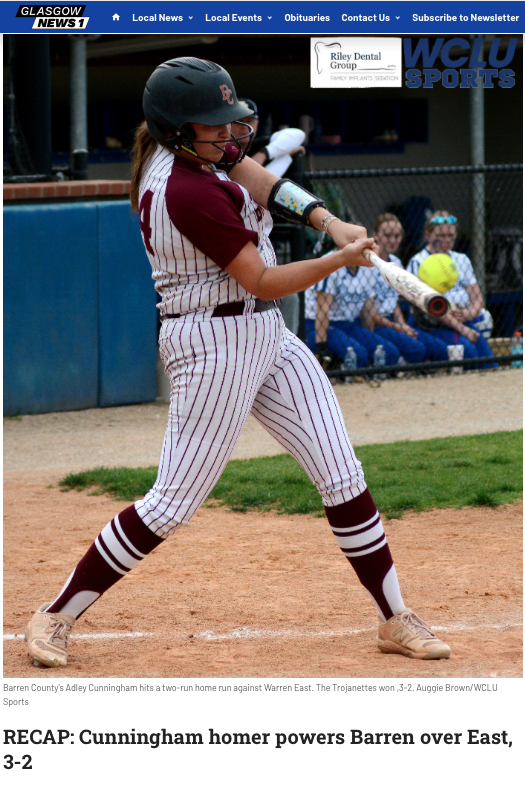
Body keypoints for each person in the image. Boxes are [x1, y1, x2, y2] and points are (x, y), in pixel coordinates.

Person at [25, 57, 450, 668]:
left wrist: (326, 221)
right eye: (213, 125)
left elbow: (269, 184)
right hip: (209, 344)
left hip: (262, 333)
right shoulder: (184, 187)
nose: (229, 135)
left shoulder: (206, 154)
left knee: (341, 471)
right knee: (171, 504)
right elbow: (265, 278)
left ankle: (395, 617)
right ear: (176, 129)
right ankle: (55, 614)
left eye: (229, 122)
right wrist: (340, 260)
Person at [407, 211, 497, 367]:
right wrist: (462, 328)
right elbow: (432, 307)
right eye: (440, 235)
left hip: (461, 320)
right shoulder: (418, 262)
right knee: (468, 351)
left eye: (450, 235)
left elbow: (477, 298)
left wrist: (468, 313)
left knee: (487, 358)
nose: (446, 240)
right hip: (430, 325)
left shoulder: (461, 259)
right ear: (428, 235)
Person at [305, 255, 403, 370]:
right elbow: (322, 308)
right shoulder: (329, 262)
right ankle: (339, 372)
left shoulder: (367, 267)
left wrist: (368, 337)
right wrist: (321, 346)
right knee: (358, 355)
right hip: (322, 326)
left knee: (390, 353)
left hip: (349, 325)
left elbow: (368, 309)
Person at [366, 213, 426, 365]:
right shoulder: (368, 264)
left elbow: (394, 303)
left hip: (391, 321)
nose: (393, 241)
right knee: (414, 349)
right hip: (374, 323)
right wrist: (399, 328)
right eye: (387, 235)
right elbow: (369, 314)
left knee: (421, 346)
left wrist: (404, 326)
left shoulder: (396, 262)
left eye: (397, 235)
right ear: (375, 235)